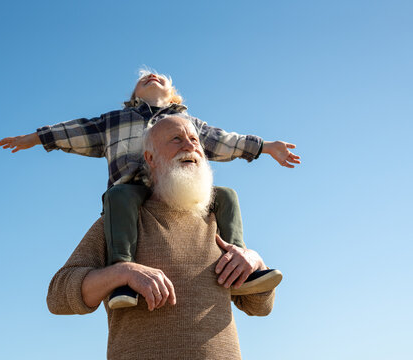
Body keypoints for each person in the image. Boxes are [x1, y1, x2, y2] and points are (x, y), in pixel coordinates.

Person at [0, 69, 300, 307]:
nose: (151, 76)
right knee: (118, 195)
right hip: (130, 194)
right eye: (143, 78)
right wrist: (35, 138)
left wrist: (265, 146)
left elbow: (226, 141)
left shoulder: (188, 123)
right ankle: (122, 276)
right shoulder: (114, 120)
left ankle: (238, 261)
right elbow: (75, 131)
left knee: (227, 196)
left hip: (176, 192)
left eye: (159, 76)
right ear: (133, 95)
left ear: (171, 94)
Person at [47, 115, 276, 359]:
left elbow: (261, 306)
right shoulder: (120, 223)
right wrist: (122, 272)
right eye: (176, 139)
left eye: (194, 140)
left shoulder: (218, 222)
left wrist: (255, 261)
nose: (189, 146)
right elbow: (57, 296)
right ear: (150, 158)